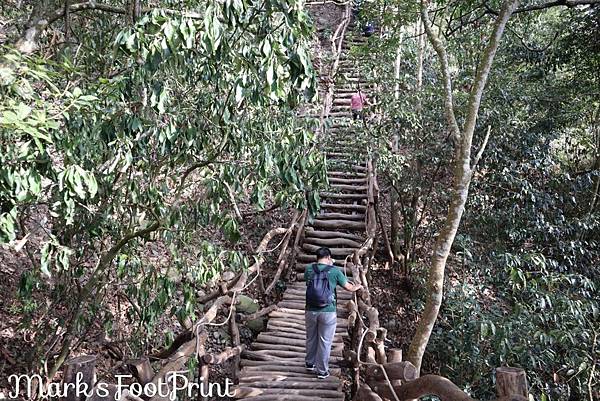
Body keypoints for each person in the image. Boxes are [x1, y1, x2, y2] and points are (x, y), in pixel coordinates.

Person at [304, 247, 363, 379]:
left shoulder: (309, 269)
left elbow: (307, 281)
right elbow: (349, 287)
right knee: (324, 341)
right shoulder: (334, 271)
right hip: (328, 312)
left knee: (311, 337)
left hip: (310, 310)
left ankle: (309, 363)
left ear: (317, 258)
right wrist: (358, 286)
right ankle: (322, 371)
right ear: (329, 257)